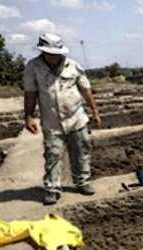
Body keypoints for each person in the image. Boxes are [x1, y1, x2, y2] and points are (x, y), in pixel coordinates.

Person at [23, 33, 102, 205]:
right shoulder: (33, 67)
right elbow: (30, 94)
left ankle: (82, 182)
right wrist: (28, 117)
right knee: (53, 155)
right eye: (49, 53)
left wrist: (94, 111)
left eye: (55, 53)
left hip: (76, 118)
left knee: (81, 151)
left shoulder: (73, 66)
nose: (53, 56)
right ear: (43, 51)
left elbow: (86, 90)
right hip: (52, 121)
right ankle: (52, 188)